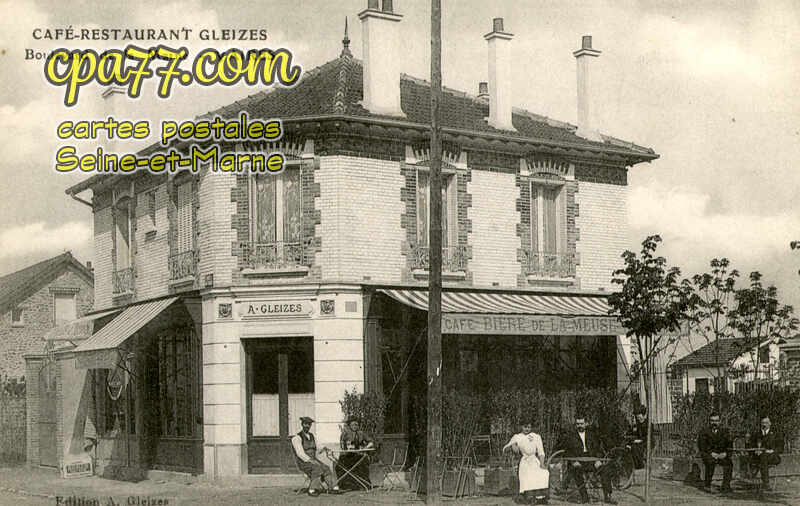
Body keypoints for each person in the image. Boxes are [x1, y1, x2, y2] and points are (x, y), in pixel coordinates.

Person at [561, 415, 616, 505]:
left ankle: (608, 496)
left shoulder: (592, 435)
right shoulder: (571, 436)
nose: (580, 426)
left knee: (604, 469)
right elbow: (567, 452)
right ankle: (585, 498)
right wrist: (573, 462)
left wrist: (598, 460)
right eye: (578, 424)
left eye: (582, 423)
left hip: (591, 460)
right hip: (578, 461)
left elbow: (598, 449)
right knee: (576, 471)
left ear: (586, 424)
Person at [291, 416, 342, 497]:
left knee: (326, 468)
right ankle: (312, 489)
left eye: (309, 424)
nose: (307, 426)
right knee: (317, 468)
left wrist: (324, 448)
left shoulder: (312, 436)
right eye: (305, 424)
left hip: (313, 460)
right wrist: (310, 460)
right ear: (302, 424)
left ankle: (332, 487)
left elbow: (318, 446)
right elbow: (300, 453)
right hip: (303, 462)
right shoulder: (297, 438)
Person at [502, 421, 550, 505]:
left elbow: (541, 452)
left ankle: (541, 497)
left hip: (534, 460)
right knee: (528, 475)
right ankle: (530, 497)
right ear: (521, 427)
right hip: (525, 461)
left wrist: (542, 464)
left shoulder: (536, 436)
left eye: (528, 427)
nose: (527, 429)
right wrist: (514, 446)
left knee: (543, 473)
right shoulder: (517, 437)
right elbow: (508, 449)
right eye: (525, 427)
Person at [697, 412, 732, 493]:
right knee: (710, 462)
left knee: (729, 463)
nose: (714, 423)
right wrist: (711, 453)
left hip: (721, 454)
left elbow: (729, 445)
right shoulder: (704, 432)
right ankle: (707, 485)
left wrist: (725, 453)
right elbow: (702, 446)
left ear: (719, 421)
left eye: (716, 421)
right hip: (708, 454)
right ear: (709, 421)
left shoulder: (724, 432)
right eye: (712, 421)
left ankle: (726, 485)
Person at [337, 416, 375, 490]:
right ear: (349, 425)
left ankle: (363, 485)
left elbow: (371, 442)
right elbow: (342, 445)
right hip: (347, 455)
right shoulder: (345, 433)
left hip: (357, 455)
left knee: (363, 462)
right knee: (340, 465)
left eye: (356, 425)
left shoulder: (361, 433)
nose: (355, 426)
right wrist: (347, 447)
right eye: (353, 425)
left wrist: (365, 448)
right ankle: (346, 485)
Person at [747, 416, 782, 491]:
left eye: (766, 423)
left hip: (773, 457)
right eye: (762, 423)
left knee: (764, 457)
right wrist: (755, 451)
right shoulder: (757, 434)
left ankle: (766, 483)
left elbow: (780, 447)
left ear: (770, 423)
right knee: (760, 458)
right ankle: (759, 481)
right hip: (759, 457)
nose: (764, 424)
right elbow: (751, 446)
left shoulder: (776, 433)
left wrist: (772, 450)